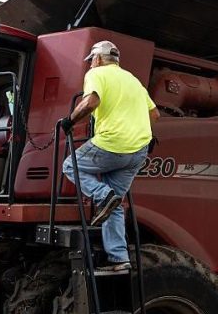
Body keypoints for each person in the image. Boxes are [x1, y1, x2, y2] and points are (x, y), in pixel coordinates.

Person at [61, 40, 160, 271]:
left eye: (91, 61)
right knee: (114, 203)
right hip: (138, 150)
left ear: (97, 59)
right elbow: (154, 114)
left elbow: (91, 102)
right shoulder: (133, 80)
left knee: (70, 166)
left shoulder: (96, 74)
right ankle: (119, 258)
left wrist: (69, 121)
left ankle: (102, 195)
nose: (90, 65)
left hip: (112, 144)